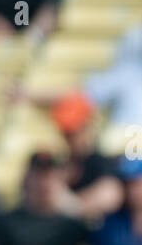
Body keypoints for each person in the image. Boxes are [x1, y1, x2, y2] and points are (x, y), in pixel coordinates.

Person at [0, 153, 89, 245]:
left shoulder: (72, 228)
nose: (43, 183)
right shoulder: (3, 223)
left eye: (50, 177)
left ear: (61, 181)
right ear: (27, 179)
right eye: (38, 176)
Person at [50, 92, 123, 221]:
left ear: (88, 126)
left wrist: (71, 204)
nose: (70, 139)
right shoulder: (61, 163)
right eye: (66, 133)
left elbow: (110, 196)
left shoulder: (102, 161)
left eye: (75, 132)